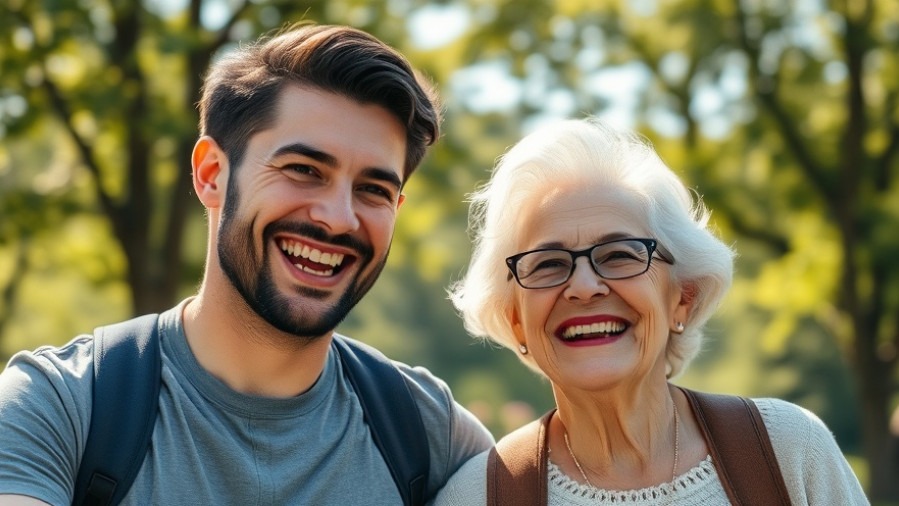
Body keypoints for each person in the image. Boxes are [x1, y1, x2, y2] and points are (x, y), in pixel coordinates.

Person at [0, 23, 493, 505]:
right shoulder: (59, 406)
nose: (339, 219)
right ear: (212, 173)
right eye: (303, 170)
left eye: (373, 190)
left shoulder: (429, 436)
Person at [435, 118, 868, 505]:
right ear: (515, 318)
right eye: (548, 264)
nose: (584, 287)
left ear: (683, 296)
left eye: (620, 254)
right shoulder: (477, 496)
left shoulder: (787, 450)